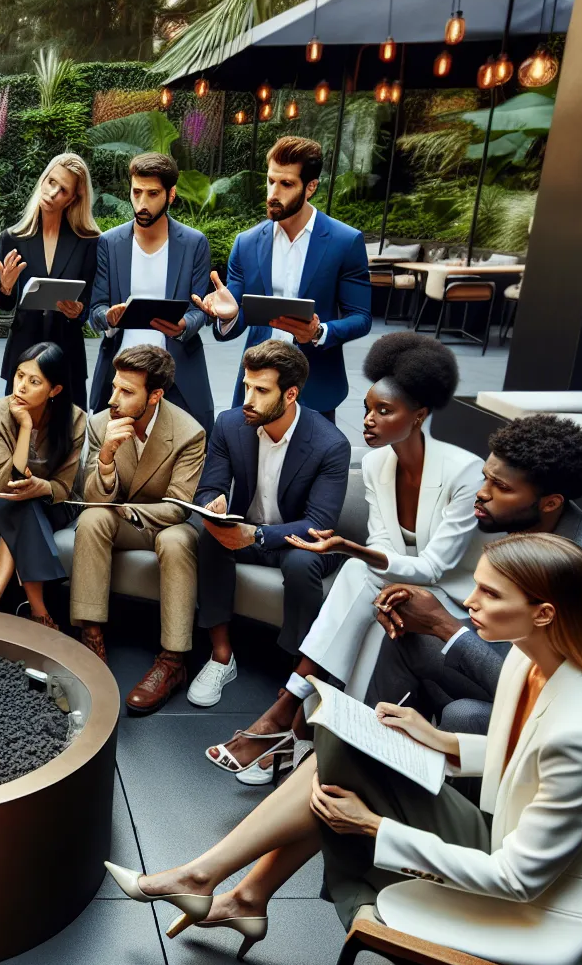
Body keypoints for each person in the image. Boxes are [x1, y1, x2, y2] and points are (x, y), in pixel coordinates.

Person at [106, 532, 582, 965]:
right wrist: (443, 741)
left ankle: (218, 886)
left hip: (555, 908)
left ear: (545, 612)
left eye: (489, 595)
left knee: (338, 763)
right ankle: (231, 891)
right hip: (514, 840)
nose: (469, 603)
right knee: (347, 739)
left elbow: (520, 880)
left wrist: (376, 827)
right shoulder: (536, 665)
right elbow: (529, 756)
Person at [200, 334, 481, 785]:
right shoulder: (375, 465)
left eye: (383, 412)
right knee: (359, 586)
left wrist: (351, 548)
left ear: (420, 416)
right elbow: (386, 543)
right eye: (367, 407)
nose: (367, 421)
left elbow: (434, 567)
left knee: (354, 572)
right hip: (389, 578)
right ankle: (297, 730)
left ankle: (286, 720)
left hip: (449, 594)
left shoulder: (464, 471)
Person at [365, 414, 582, 734]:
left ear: (551, 502)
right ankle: (366, 748)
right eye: (486, 478)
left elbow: (559, 696)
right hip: (511, 658)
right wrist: (424, 614)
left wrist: (444, 624)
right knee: (408, 628)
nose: (481, 493)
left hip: (563, 712)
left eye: (500, 486)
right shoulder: (527, 522)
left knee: (463, 715)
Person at [189, 342, 350, 739]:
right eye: (246, 386)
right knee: (206, 535)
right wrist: (214, 506)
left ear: (290, 394)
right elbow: (206, 488)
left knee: (302, 562)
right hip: (244, 533)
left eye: (261, 391)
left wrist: (257, 534)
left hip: (300, 542)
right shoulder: (230, 424)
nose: (248, 398)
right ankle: (222, 656)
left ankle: (297, 676)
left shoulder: (330, 444)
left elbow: (318, 525)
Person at [193, 136, 373, 420]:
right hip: (257, 383)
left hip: (315, 382)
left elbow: (361, 318)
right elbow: (238, 316)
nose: (273, 193)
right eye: (271, 181)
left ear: (310, 187)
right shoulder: (247, 243)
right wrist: (227, 316)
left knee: (309, 464)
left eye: (286, 184)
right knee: (249, 463)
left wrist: (319, 332)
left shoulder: (344, 241)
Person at [69, 344, 209, 705]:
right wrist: (105, 458)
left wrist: (129, 511)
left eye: (127, 391)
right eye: (115, 386)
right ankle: (92, 637)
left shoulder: (189, 433)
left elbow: (179, 507)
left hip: (163, 525)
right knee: (92, 518)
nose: (113, 398)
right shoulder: (102, 423)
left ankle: (173, 660)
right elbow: (94, 500)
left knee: (179, 539)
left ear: (155, 395)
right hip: (120, 520)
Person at [86, 152, 216, 431]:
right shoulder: (110, 243)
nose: (142, 203)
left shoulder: (194, 243)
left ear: (171, 194)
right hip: (122, 371)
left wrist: (183, 325)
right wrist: (108, 318)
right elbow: (95, 309)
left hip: (177, 372)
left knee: (184, 454)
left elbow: (200, 310)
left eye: (153, 194)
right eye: (136, 192)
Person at [0, 342, 86, 627]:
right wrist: (25, 427)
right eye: (19, 375)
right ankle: (39, 611)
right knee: (21, 507)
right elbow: (4, 481)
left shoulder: (75, 420)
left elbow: (64, 485)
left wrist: (41, 486)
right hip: (2, 497)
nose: (21, 387)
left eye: (34, 381)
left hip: (52, 503)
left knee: (26, 508)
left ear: (55, 390)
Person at [0, 153, 100, 405]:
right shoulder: (11, 238)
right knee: (17, 434)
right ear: (42, 179)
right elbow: (4, 303)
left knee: (66, 438)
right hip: (23, 352)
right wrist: (6, 287)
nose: (52, 192)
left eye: (63, 190)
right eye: (51, 182)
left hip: (68, 353)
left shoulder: (88, 241)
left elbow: (90, 299)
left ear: (74, 198)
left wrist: (79, 310)